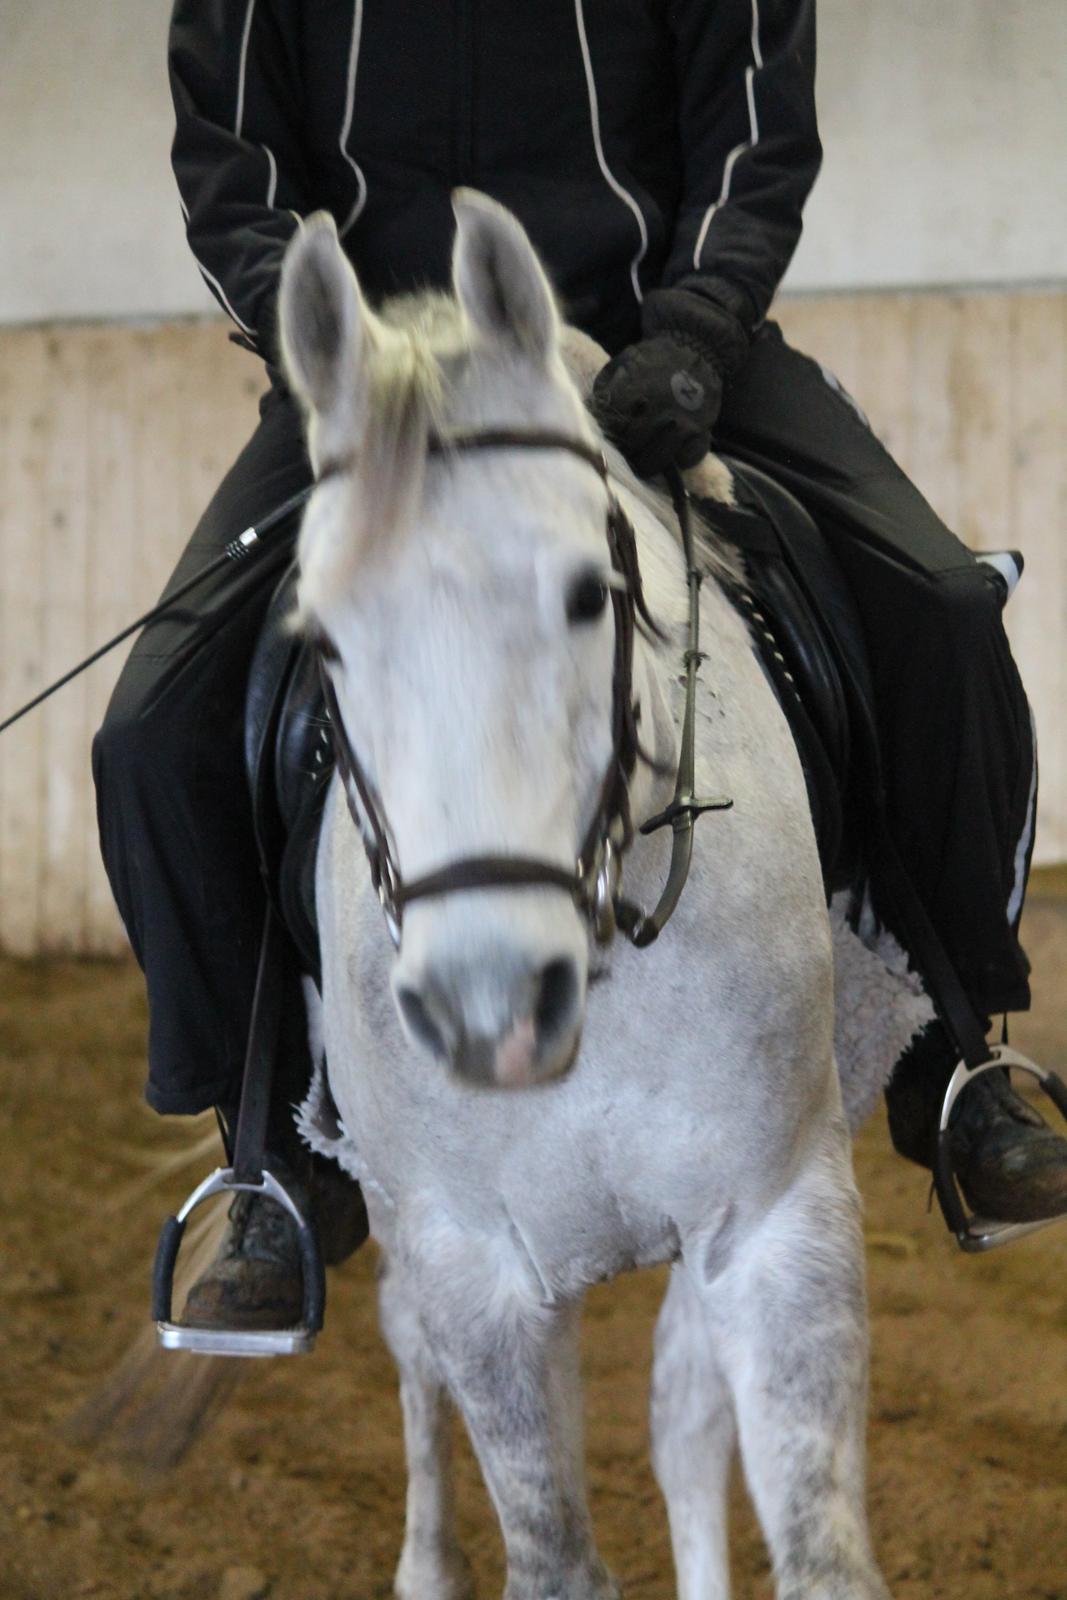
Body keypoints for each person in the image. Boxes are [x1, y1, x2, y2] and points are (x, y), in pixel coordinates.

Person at [93, 0, 1067, 1332]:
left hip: (653, 358)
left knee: (945, 611)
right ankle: (267, 1155)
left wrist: (702, 330)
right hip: (390, 387)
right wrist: (328, 357)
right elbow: (233, 158)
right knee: (150, 736)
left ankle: (959, 1063)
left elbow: (754, 130)